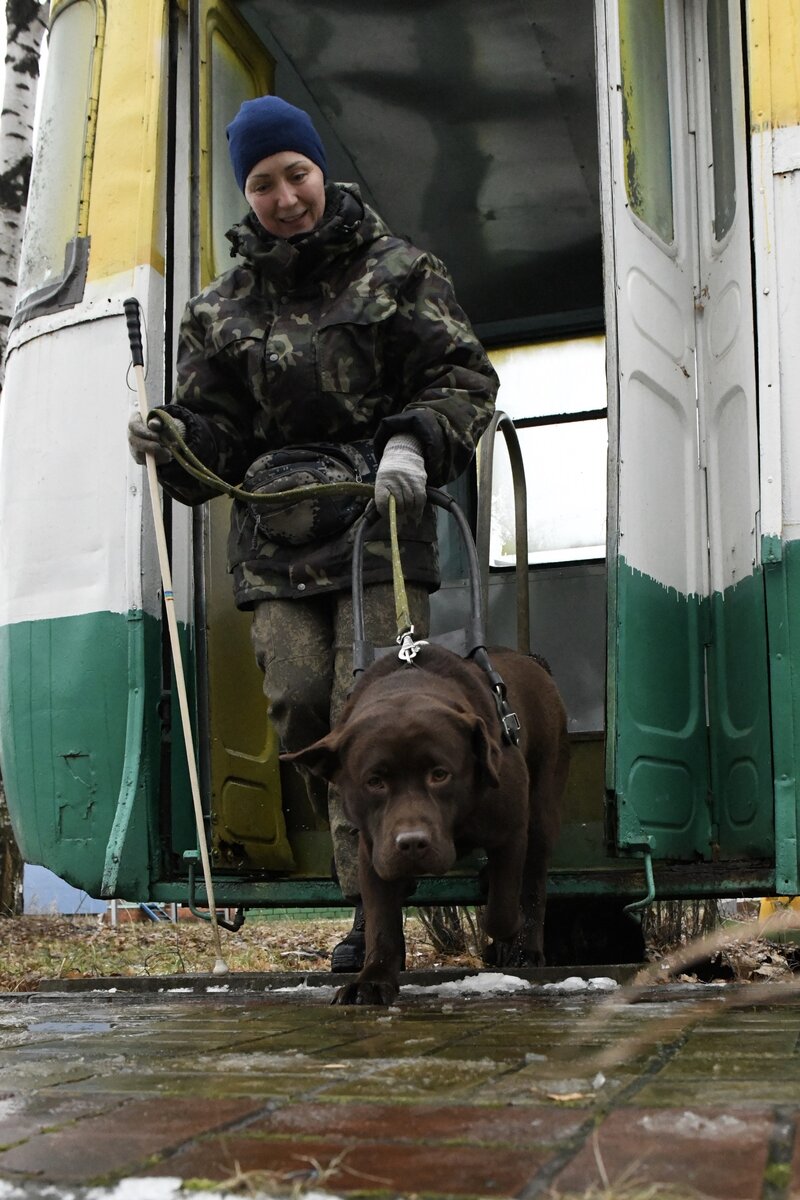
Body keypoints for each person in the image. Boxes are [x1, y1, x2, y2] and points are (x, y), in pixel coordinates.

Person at [128, 95, 498, 970]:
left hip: (380, 524)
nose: (285, 196)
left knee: (359, 714)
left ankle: (372, 918)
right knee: (306, 712)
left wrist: (413, 440)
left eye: (295, 173)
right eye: (262, 184)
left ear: (319, 168)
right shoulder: (216, 311)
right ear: (246, 196)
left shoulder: (402, 271)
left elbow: (463, 379)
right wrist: (172, 439)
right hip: (277, 543)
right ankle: (376, 879)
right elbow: (212, 440)